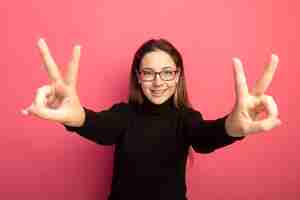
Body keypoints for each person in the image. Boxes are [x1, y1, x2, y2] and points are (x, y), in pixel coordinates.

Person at [21, 38, 281, 200]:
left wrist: (233, 127)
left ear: (178, 76)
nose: (158, 82)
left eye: (167, 72)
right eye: (149, 73)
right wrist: (75, 118)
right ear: (138, 76)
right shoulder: (123, 115)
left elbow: (205, 137)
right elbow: (99, 127)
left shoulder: (186, 119)